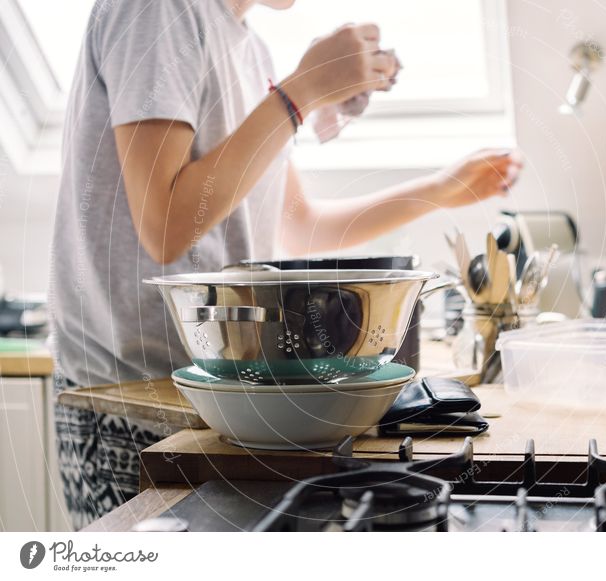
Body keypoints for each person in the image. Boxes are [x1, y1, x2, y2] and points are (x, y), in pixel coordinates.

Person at [48, 0, 522, 528]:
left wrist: (440, 189)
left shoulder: (250, 50)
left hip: (223, 399)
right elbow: (165, 226)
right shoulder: (162, 10)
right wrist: (301, 93)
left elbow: (299, 224)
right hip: (134, 401)